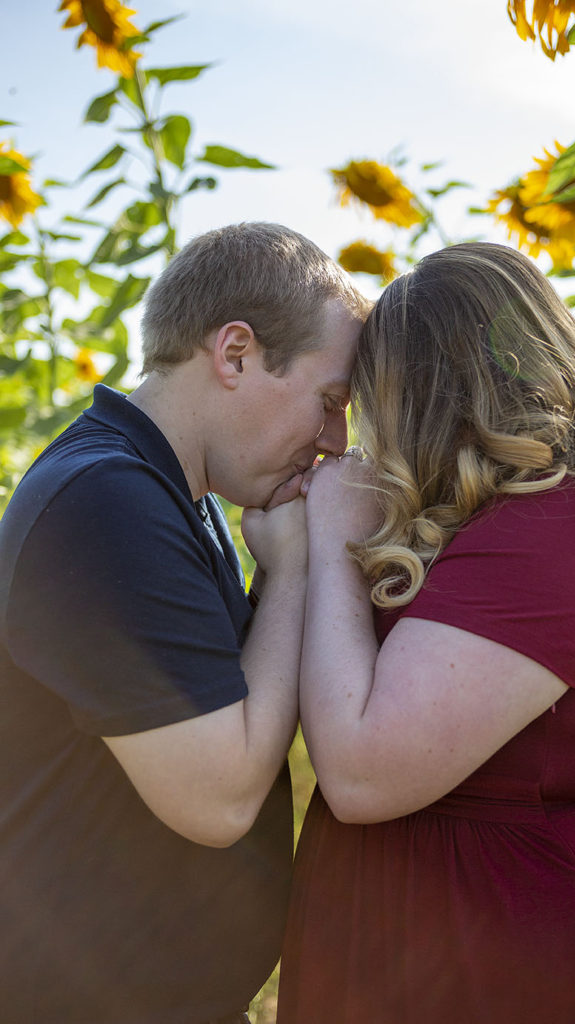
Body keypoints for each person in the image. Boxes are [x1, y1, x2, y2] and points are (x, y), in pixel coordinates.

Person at [276, 241, 575, 1024]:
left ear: (420, 396)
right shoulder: (524, 515)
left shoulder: (555, 528)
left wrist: (330, 540)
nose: (347, 435)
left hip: (518, 976)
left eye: (362, 400)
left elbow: (364, 774)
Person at [0, 222, 368, 1024]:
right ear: (234, 353)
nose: (334, 443)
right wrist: (295, 572)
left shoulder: (169, 491)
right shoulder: (107, 503)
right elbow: (218, 799)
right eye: (330, 401)